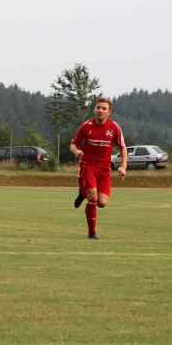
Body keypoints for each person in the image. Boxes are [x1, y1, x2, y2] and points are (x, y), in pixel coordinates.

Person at [70, 97, 127, 240]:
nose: (100, 111)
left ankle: (83, 193)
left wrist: (123, 166)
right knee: (93, 199)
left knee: (102, 203)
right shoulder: (86, 126)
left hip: (104, 169)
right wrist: (76, 152)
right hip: (87, 166)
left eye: (104, 108)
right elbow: (73, 144)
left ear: (109, 111)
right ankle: (92, 233)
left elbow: (123, 147)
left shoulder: (114, 127)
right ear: (94, 109)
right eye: (98, 108)